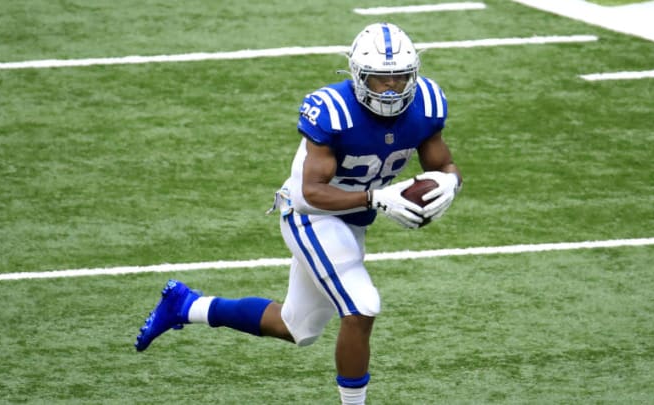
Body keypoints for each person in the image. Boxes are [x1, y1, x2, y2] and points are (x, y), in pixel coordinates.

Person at [135, 22, 462, 405]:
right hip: (309, 215)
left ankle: (187, 306)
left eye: (399, 77)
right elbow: (311, 192)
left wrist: (451, 184)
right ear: (358, 77)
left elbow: (444, 164)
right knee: (362, 305)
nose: (390, 88)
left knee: (296, 327)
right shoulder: (332, 110)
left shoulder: (427, 103)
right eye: (378, 80)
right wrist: (376, 198)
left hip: (351, 219)